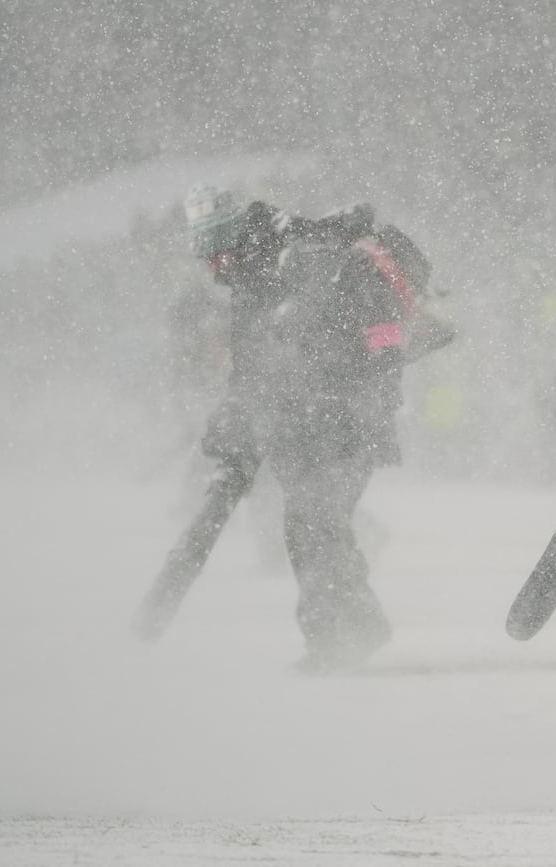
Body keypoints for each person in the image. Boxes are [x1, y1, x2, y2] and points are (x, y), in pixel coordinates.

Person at [135, 186, 409, 672]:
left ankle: (335, 642)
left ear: (236, 241)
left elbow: (379, 335)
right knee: (316, 527)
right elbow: (250, 374)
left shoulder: (309, 261)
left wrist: (363, 399)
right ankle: (361, 627)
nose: (213, 269)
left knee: (313, 526)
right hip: (306, 430)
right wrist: (231, 430)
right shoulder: (251, 285)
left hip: (344, 425)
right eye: (206, 258)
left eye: (217, 254)